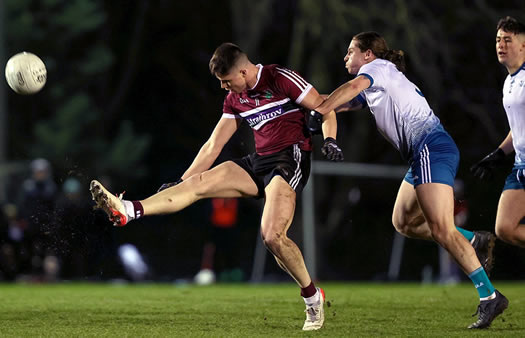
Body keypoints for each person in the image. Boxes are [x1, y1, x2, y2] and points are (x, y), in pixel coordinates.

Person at [90, 42, 343, 331]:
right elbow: (213, 146)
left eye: (226, 81)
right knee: (197, 183)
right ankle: (128, 210)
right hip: (259, 161)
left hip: (290, 159)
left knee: (272, 237)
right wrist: (182, 182)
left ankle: (312, 298)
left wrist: (330, 139)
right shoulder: (235, 98)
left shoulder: (280, 78)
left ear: (244, 71)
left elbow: (326, 107)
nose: (224, 87)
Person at [312, 31, 507, 329]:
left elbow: (350, 89)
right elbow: (345, 101)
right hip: (423, 155)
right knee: (403, 222)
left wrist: (322, 108)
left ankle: (489, 297)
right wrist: (311, 106)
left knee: (442, 229)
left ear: (367, 54)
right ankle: (472, 239)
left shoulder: (374, 68)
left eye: (350, 51)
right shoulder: (378, 80)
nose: (345, 56)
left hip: (431, 147)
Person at [470, 16, 525, 248]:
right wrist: (498, 155)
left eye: (508, 40)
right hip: (520, 165)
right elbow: (518, 128)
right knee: (504, 227)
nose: (501, 45)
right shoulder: (509, 82)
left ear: (523, 45)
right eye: (498, 40)